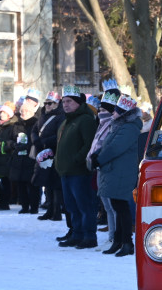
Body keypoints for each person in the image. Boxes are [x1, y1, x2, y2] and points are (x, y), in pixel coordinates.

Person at [92, 93, 142, 256]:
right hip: (115, 170)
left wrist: (99, 159)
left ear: (123, 112)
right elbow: (108, 144)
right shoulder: (120, 125)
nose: (113, 112)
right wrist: (97, 154)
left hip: (121, 172)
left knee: (121, 208)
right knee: (117, 206)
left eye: (117, 110)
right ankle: (119, 241)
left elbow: (115, 148)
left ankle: (127, 242)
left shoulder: (129, 127)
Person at [54, 85, 99, 249]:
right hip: (66, 172)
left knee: (84, 206)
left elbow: (89, 145)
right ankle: (76, 234)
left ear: (78, 103)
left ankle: (89, 236)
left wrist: (75, 160)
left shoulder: (85, 120)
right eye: (64, 101)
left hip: (79, 172)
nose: (65, 104)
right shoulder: (67, 121)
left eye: (69, 101)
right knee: (72, 207)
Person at [88, 89, 121, 249]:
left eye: (104, 110)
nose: (100, 113)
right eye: (99, 110)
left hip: (110, 169)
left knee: (113, 206)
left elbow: (110, 147)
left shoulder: (114, 126)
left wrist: (98, 158)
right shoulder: (100, 125)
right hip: (100, 169)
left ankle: (116, 237)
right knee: (107, 206)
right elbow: (95, 144)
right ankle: (111, 236)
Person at [34, 92, 65, 222]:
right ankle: (49, 209)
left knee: (56, 184)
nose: (47, 105)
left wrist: (44, 141)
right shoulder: (42, 115)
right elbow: (34, 130)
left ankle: (56, 211)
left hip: (55, 152)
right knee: (47, 183)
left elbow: (59, 134)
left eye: (50, 103)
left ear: (56, 104)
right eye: (46, 103)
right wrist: (36, 140)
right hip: (44, 153)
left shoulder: (60, 116)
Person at [11, 89, 41, 214]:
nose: (22, 113)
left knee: (32, 184)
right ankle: (24, 206)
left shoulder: (36, 124)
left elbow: (36, 140)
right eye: (22, 111)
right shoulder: (17, 125)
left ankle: (34, 207)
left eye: (25, 111)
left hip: (30, 157)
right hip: (19, 158)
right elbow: (12, 138)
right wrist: (14, 145)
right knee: (21, 184)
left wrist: (27, 146)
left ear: (31, 111)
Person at [0, 102, 17, 210]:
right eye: (1, 112)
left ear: (9, 115)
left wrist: (3, 146)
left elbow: (14, 141)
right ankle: (0, 200)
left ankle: (5, 202)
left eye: (4, 112)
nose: (1, 114)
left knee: (6, 181)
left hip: (6, 158)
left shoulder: (13, 126)